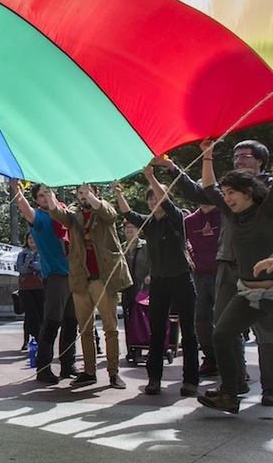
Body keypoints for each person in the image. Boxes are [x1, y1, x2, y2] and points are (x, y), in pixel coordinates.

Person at [156, 140, 273, 403]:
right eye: (235, 156)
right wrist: (202, 157)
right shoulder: (229, 206)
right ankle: (233, 388)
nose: (238, 160)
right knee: (222, 331)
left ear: (260, 161)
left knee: (268, 335)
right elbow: (205, 190)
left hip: (269, 282)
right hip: (235, 274)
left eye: (245, 155)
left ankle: (270, 389)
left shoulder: (266, 201)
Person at [197, 138, 273, 412]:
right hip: (249, 293)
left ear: (250, 192)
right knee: (222, 335)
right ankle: (230, 394)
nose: (227, 198)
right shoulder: (231, 214)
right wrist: (208, 155)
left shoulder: (267, 209)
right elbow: (208, 186)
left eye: (232, 193)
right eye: (225, 193)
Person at [114, 166, 199, 397]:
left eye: (157, 196)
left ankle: (191, 381)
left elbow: (165, 201)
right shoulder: (148, 223)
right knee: (157, 331)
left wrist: (151, 176)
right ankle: (154, 379)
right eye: (150, 198)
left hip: (182, 279)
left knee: (189, 332)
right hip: (159, 282)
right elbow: (128, 214)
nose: (153, 201)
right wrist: (118, 192)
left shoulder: (176, 215)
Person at [45, 182, 131, 390]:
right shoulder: (73, 213)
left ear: (95, 193)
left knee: (110, 329)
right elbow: (58, 214)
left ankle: (113, 373)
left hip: (103, 277)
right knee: (85, 328)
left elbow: (109, 214)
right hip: (81, 279)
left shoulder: (104, 209)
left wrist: (91, 197)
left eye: (86, 192)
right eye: (80, 193)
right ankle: (89, 372)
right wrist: (49, 197)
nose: (82, 196)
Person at [11, 180, 78, 385]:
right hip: (56, 276)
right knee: (52, 322)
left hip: (75, 275)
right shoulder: (39, 218)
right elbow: (25, 210)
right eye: (41, 195)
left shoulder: (66, 214)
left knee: (71, 322)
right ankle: (44, 367)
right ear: (37, 201)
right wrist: (16, 191)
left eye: (48, 193)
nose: (46, 197)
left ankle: (68, 364)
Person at [184, 202, 221, 376]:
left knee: (226, 318)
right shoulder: (190, 220)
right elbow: (186, 241)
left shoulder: (224, 215)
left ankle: (236, 363)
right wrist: (191, 252)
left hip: (222, 273)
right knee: (201, 318)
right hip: (199, 274)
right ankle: (210, 358)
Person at [121, 220, 150, 363]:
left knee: (143, 321)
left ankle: (143, 348)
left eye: (132, 227)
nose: (129, 230)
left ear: (139, 230)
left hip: (144, 290)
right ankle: (131, 349)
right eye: (126, 228)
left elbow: (154, 262)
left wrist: (150, 276)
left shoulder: (145, 246)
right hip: (128, 290)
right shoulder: (122, 248)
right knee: (129, 320)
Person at [15, 233, 44, 351]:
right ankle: (28, 339)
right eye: (29, 238)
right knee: (30, 314)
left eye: (34, 237)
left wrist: (29, 264)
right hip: (26, 287)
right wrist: (33, 266)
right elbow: (20, 267)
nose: (32, 240)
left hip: (40, 286)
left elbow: (41, 266)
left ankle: (40, 338)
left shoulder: (42, 251)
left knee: (41, 314)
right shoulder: (22, 254)